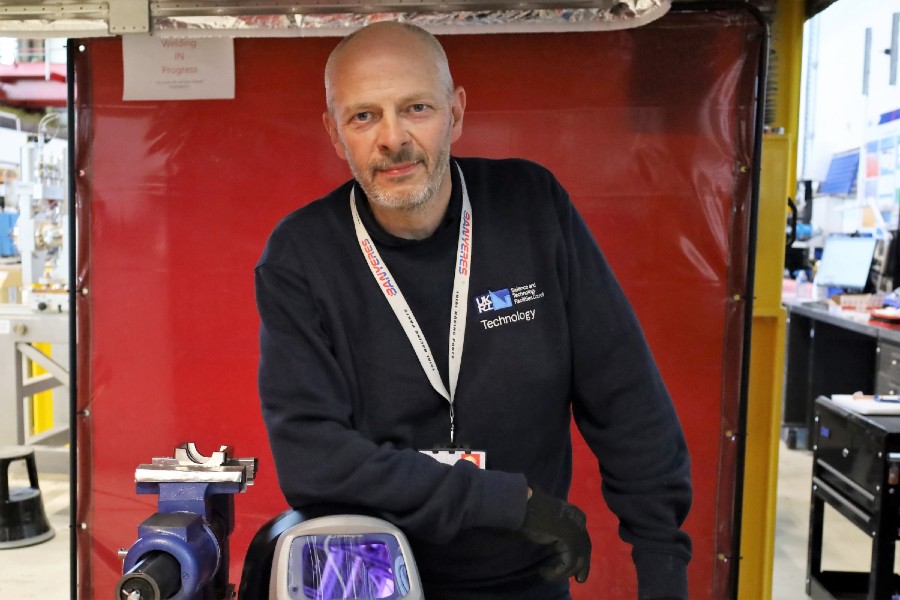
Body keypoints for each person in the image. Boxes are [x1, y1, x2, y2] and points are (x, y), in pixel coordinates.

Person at [256, 21, 691, 600]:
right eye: (364, 116)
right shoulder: (301, 253)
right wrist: (509, 503)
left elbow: (626, 398)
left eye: (416, 107)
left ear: (455, 113)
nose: (392, 138)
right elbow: (312, 458)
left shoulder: (532, 207)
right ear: (336, 134)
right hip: (371, 575)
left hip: (523, 579)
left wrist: (662, 564)